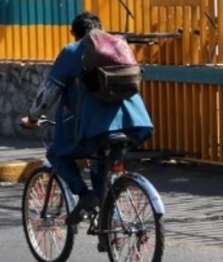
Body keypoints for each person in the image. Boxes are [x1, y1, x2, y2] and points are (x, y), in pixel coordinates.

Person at [19, 11, 154, 225]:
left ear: (74, 33)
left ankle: (84, 195)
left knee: (56, 154)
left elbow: (49, 92)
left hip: (94, 130)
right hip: (134, 124)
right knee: (105, 167)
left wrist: (33, 118)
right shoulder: (119, 45)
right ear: (99, 28)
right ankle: (111, 223)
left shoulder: (74, 51)